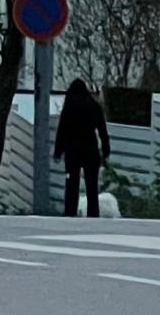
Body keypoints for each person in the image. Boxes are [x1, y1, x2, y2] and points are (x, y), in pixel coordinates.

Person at [54, 77, 110, 217]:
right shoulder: (94, 106)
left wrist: (58, 151)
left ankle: (70, 211)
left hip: (72, 151)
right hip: (90, 150)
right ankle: (93, 213)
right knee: (92, 185)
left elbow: (62, 130)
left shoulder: (70, 106)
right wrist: (105, 149)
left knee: (72, 183)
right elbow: (102, 130)